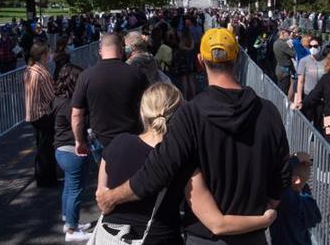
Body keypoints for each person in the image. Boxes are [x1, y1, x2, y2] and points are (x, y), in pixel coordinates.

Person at [96, 28, 290, 244]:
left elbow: (155, 173)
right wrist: (267, 210)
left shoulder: (189, 115)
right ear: (236, 58)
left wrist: (111, 196)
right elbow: (281, 173)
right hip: (252, 231)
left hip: (204, 235)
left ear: (200, 60)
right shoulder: (268, 111)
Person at [93, 82, 275, 244]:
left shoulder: (117, 143)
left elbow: (102, 194)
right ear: (182, 113)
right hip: (159, 237)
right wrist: (264, 220)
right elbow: (216, 223)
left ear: (143, 112)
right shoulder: (181, 160)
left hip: (109, 236)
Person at [71, 33, 148, 156]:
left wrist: (79, 141)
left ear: (100, 51)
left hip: (100, 139)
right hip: (131, 136)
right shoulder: (136, 74)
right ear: (121, 50)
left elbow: (76, 115)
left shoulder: (86, 76)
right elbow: (147, 105)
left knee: (105, 173)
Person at [52, 64, 92, 242]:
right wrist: (81, 142)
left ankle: (68, 220)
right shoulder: (71, 104)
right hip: (72, 150)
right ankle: (72, 229)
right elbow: (80, 122)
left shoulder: (58, 99)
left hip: (60, 150)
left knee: (69, 187)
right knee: (75, 189)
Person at [24, 42, 57, 187]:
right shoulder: (43, 73)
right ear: (43, 55)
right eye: (48, 53)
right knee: (46, 148)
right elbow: (51, 96)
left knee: (40, 147)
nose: (50, 55)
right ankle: (47, 179)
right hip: (42, 113)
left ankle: (41, 177)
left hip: (31, 113)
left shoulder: (28, 69)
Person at [269, 152, 321, 245]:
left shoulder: (284, 197)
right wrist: (305, 189)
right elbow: (316, 218)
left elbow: (278, 176)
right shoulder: (304, 200)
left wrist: (295, 160)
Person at [293, 37, 326, 130]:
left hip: (321, 97)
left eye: (315, 46)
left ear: (320, 46)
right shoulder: (304, 61)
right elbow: (300, 81)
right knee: (307, 120)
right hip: (308, 95)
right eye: (310, 46)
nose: (312, 48)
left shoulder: (326, 61)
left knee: (319, 122)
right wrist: (299, 96)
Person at [273, 24, 297, 93]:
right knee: (284, 91)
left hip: (280, 70)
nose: (289, 35)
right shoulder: (282, 44)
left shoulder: (277, 42)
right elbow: (295, 54)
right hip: (284, 72)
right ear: (282, 33)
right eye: (288, 33)